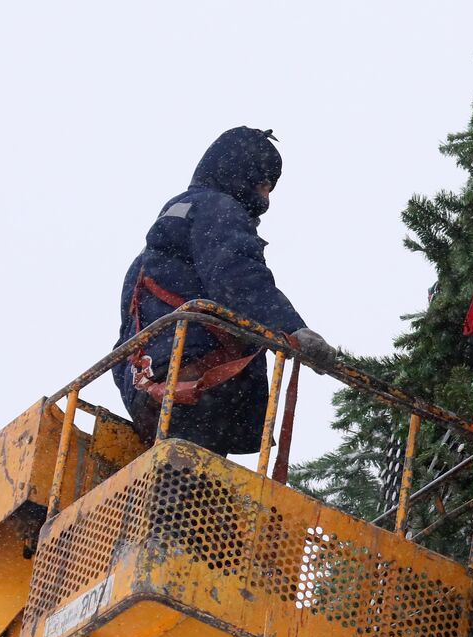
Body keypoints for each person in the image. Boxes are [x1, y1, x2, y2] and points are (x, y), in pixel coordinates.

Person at [112, 126, 333, 454]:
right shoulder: (216, 209)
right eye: (264, 184)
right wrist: (293, 330)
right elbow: (239, 278)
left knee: (180, 483)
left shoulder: (148, 257)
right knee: (195, 491)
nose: (266, 199)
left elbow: (125, 340)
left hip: (150, 390)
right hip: (200, 378)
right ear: (241, 173)